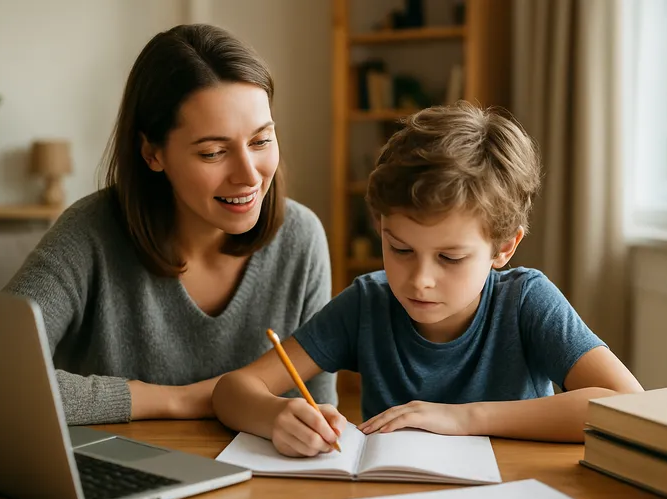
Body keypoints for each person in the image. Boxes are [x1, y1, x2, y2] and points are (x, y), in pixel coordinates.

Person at [212, 102, 644, 457]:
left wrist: (465, 418)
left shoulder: (526, 301)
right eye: (400, 249)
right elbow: (233, 390)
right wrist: (276, 416)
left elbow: (628, 405)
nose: (419, 281)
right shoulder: (368, 303)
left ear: (504, 248)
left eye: (450, 258)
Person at [3, 24, 337, 426]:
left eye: (261, 141)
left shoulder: (301, 238)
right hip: (116, 463)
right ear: (152, 153)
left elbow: (319, 408)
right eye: (213, 152)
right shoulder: (88, 233)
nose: (249, 175)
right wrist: (182, 400)